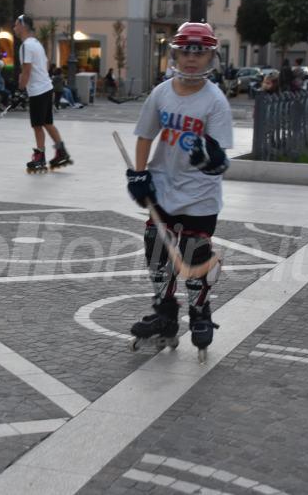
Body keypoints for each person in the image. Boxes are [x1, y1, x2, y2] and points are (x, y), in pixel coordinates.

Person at [124, 21, 233, 361]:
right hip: (162, 187)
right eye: (186, 51)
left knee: (194, 256)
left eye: (199, 53)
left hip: (200, 196)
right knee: (156, 250)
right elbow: (145, 136)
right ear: (175, 53)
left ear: (210, 56)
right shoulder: (161, 93)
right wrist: (138, 174)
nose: (191, 59)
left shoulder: (215, 101)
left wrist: (214, 161)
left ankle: (200, 312)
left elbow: (218, 153)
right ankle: (165, 312)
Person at [13, 14, 71, 172]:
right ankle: (61, 152)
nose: (14, 28)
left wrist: (19, 91)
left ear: (23, 26)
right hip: (46, 87)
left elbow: (26, 71)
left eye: (16, 25)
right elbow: (42, 67)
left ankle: (39, 157)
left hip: (38, 91)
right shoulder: (37, 44)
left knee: (37, 125)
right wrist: (26, 87)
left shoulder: (26, 46)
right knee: (47, 123)